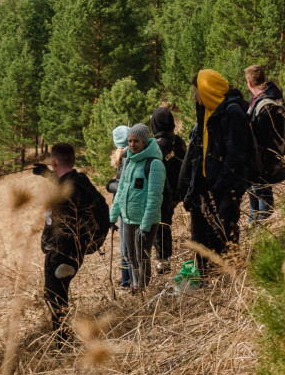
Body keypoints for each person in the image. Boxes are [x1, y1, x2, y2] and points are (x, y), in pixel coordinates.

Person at [180, 69, 253, 277]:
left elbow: (236, 156)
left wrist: (219, 185)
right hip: (208, 187)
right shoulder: (207, 111)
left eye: (197, 93)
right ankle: (207, 277)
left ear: (207, 91)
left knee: (223, 234)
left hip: (226, 188)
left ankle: (229, 277)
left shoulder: (232, 112)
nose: (195, 98)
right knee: (202, 237)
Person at [37, 142, 110, 334]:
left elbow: (58, 225)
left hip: (61, 253)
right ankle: (64, 336)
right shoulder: (81, 181)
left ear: (54, 162)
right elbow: (66, 182)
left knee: (54, 296)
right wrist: (47, 174)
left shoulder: (61, 197)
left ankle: (63, 341)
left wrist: (51, 250)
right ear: (74, 159)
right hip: (77, 251)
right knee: (60, 295)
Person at [108, 123, 164, 292]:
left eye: (136, 141)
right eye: (130, 141)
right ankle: (136, 287)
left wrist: (146, 226)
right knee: (130, 257)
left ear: (145, 141)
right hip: (128, 218)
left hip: (144, 221)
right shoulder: (129, 161)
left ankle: (142, 291)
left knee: (142, 258)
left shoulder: (154, 164)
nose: (132, 144)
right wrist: (112, 217)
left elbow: (155, 198)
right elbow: (121, 192)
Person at [244, 64, 285, 224]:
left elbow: (262, 135)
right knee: (255, 194)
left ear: (249, 83)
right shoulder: (268, 96)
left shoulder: (266, 103)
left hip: (263, 159)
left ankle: (264, 229)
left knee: (263, 197)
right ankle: (254, 226)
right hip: (262, 157)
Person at [148, 106, 187, 269]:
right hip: (179, 191)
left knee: (160, 227)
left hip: (163, 193)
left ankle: (163, 262)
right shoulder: (178, 141)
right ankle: (165, 260)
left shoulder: (154, 147)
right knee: (165, 225)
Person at [109, 124, 132, 288]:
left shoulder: (123, 156)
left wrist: (110, 185)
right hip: (125, 207)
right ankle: (127, 282)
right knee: (127, 246)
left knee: (126, 246)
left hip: (125, 207)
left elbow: (123, 186)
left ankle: (127, 282)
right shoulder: (126, 155)